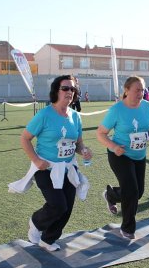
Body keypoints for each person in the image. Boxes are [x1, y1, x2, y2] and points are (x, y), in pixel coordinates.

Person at [16, 75, 92, 252]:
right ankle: (36, 221)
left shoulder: (75, 117)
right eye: (65, 88)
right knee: (58, 205)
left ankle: (48, 239)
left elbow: (78, 143)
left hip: (68, 168)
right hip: (46, 168)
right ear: (56, 91)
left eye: (73, 89)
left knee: (67, 208)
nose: (70, 92)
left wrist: (84, 151)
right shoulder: (44, 115)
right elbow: (25, 138)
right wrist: (36, 160)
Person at [96, 76, 149, 240]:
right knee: (131, 190)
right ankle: (127, 228)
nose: (141, 93)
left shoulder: (146, 106)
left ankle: (111, 195)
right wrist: (114, 147)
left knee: (138, 192)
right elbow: (101, 133)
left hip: (140, 155)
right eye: (137, 90)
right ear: (126, 90)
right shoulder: (117, 110)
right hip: (120, 154)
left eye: (143, 89)